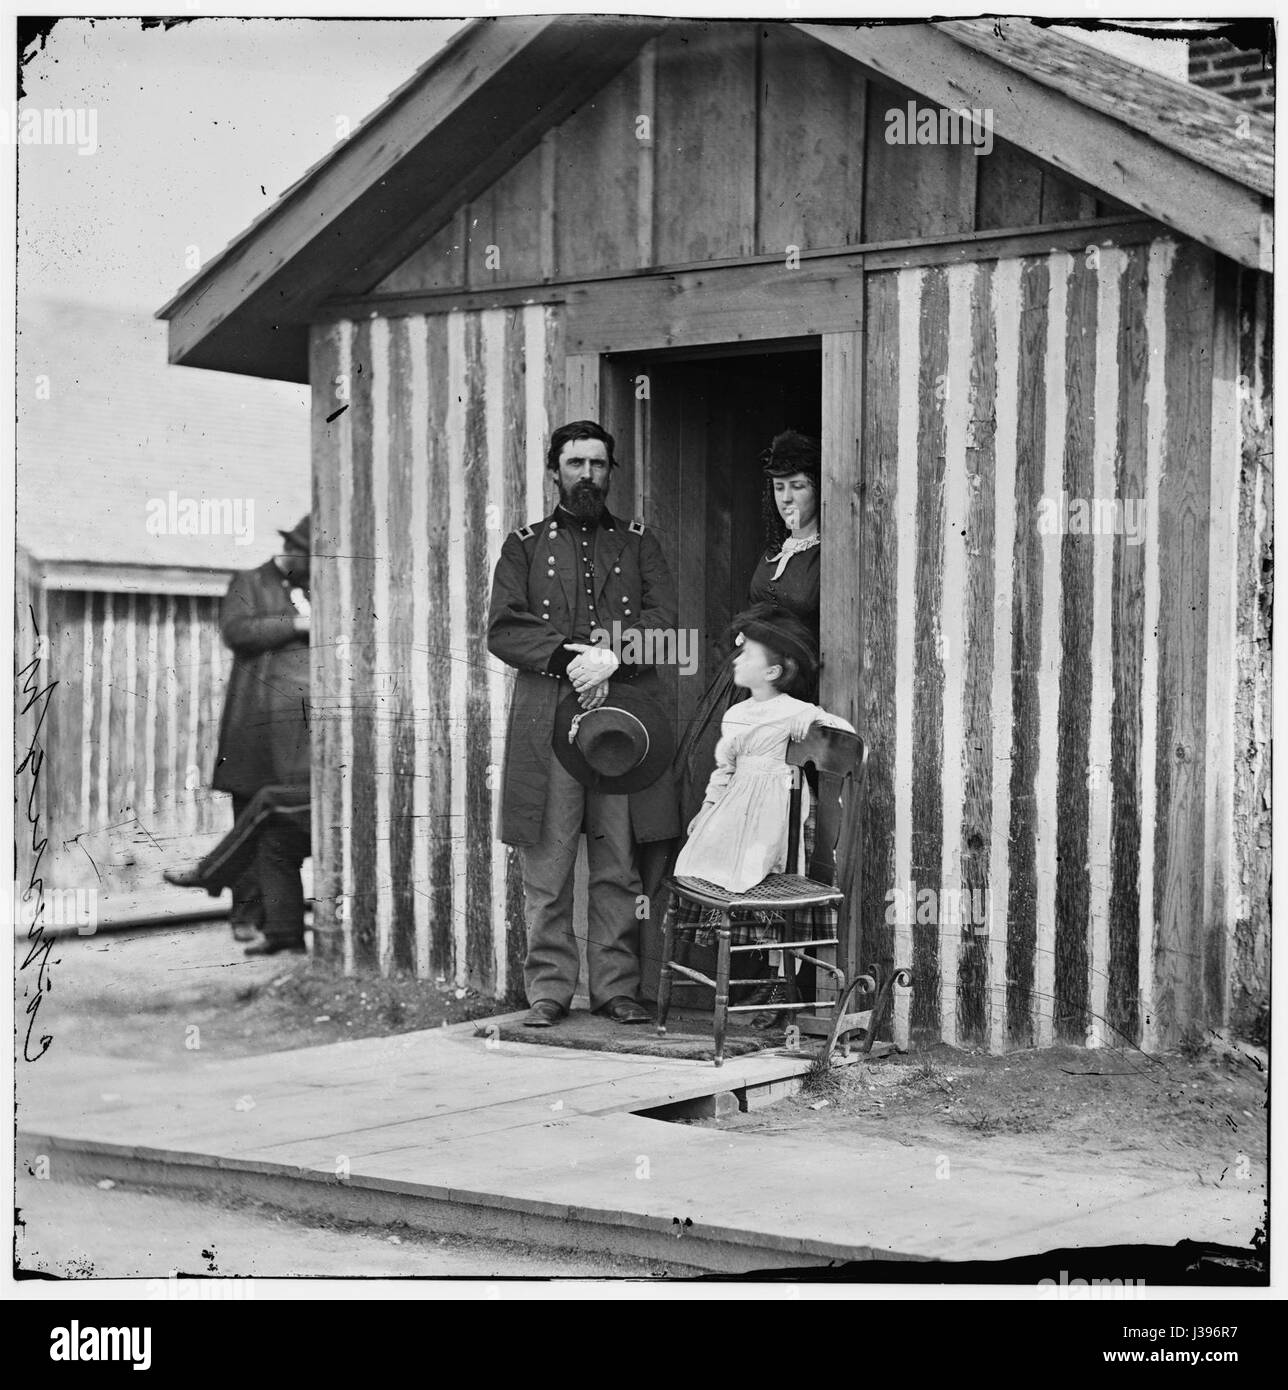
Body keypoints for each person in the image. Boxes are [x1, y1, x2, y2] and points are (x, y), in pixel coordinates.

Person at [487, 420, 680, 1027]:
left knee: (617, 862)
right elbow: (504, 627)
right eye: (576, 464)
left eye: (598, 465)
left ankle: (616, 987)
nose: (588, 476)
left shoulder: (640, 542)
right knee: (547, 863)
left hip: (623, 721)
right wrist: (577, 660)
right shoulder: (522, 545)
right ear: (555, 470)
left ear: (610, 471)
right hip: (549, 720)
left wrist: (614, 655)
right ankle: (547, 990)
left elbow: (667, 622)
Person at [666, 604, 854, 1022]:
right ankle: (753, 977)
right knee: (700, 860)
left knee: (761, 871)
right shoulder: (735, 715)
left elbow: (845, 740)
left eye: (747, 655)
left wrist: (814, 739)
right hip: (736, 812)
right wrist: (708, 808)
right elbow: (724, 769)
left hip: (775, 814)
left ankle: (777, 977)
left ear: (772, 672)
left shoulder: (797, 712)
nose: (736, 660)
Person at [164, 515, 312, 956]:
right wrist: (299, 626)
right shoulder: (250, 581)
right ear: (292, 550)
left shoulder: (315, 588)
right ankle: (245, 916)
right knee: (249, 816)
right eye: (309, 557)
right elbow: (237, 631)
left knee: (275, 833)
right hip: (254, 729)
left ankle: (280, 928)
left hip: (299, 736)